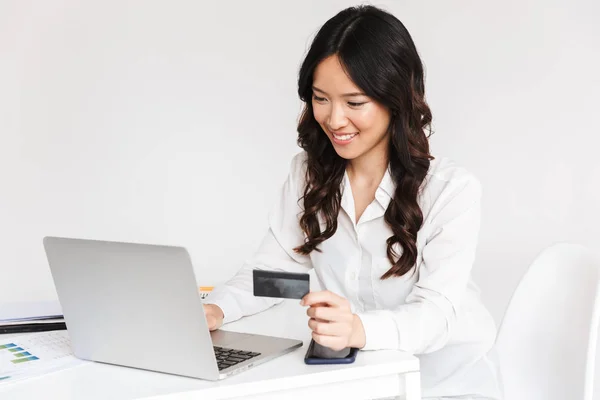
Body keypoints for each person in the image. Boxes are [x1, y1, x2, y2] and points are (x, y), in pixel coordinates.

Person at [203, 5, 503, 400]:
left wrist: (358, 329)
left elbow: (435, 316)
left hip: (447, 385)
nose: (334, 119)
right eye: (320, 98)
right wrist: (216, 310)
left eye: (355, 102)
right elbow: (271, 274)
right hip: (363, 383)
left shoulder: (451, 190)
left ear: (396, 99)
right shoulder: (307, 174)